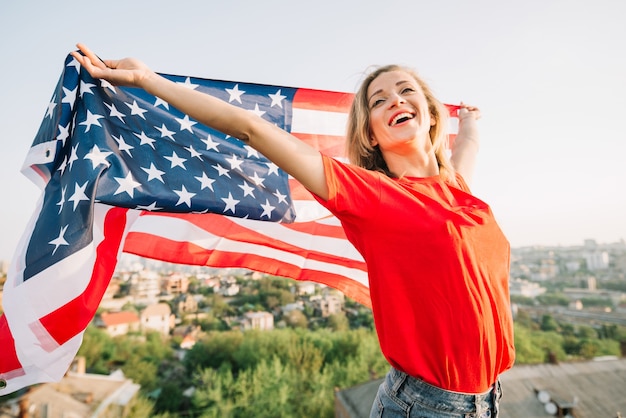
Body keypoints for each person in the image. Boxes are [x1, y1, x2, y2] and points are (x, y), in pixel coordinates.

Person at [71, 44, 515, 417]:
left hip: (491, 398)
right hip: (426, 406)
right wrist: (148, 80)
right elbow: (250, 128)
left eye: (405, 90)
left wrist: (471, 122)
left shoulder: (456, 187)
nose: (395, 100)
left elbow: (468, 147)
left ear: (432, 114)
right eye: (379, 101)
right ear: (371, 135)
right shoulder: (369, 195)